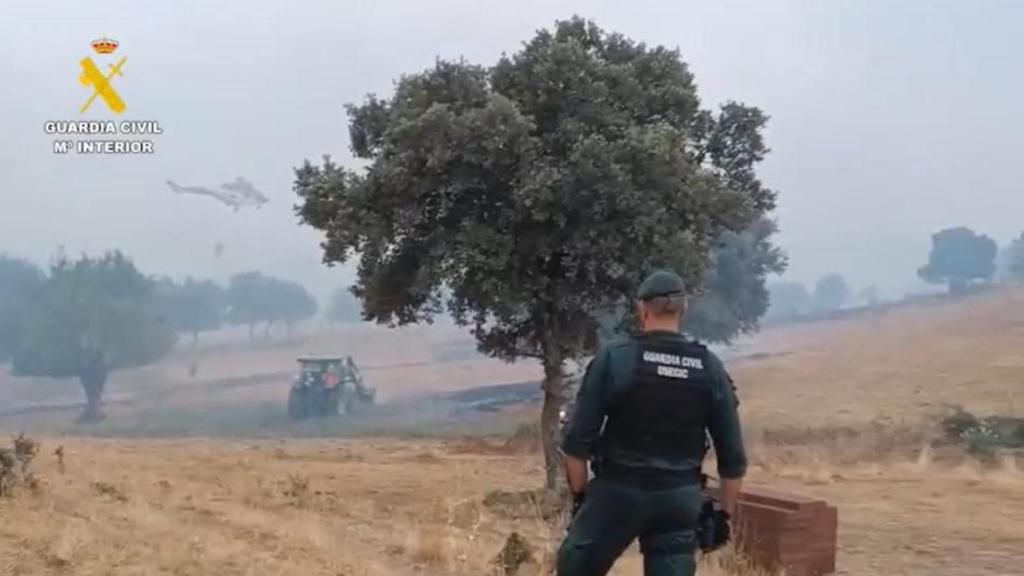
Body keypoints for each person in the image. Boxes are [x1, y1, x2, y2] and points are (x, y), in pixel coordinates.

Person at [557, 269, 747, 576]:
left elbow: (576, 443)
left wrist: (580, 497)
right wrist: (723, 514)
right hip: (679, 500)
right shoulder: (709, 367)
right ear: (683, 309)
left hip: (617, 493)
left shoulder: (615, 358)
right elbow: (733, 458)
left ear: (642, 309)